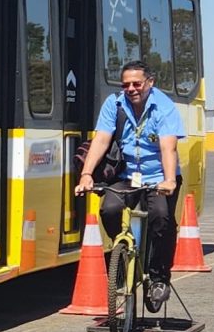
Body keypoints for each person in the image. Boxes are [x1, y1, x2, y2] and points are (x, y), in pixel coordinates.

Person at [73, 59, 182, 314]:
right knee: (108, 209)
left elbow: (169, 147)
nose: (131, 89)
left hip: (158, 177)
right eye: (126, 85)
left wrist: (169, 180)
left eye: (137, 84)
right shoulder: (114, 104)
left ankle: (158, 277)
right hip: (127, 175)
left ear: (149, 83)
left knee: (161, 219)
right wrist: (87, 174)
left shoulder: (163, 107)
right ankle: (125, 252)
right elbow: (101, 140)